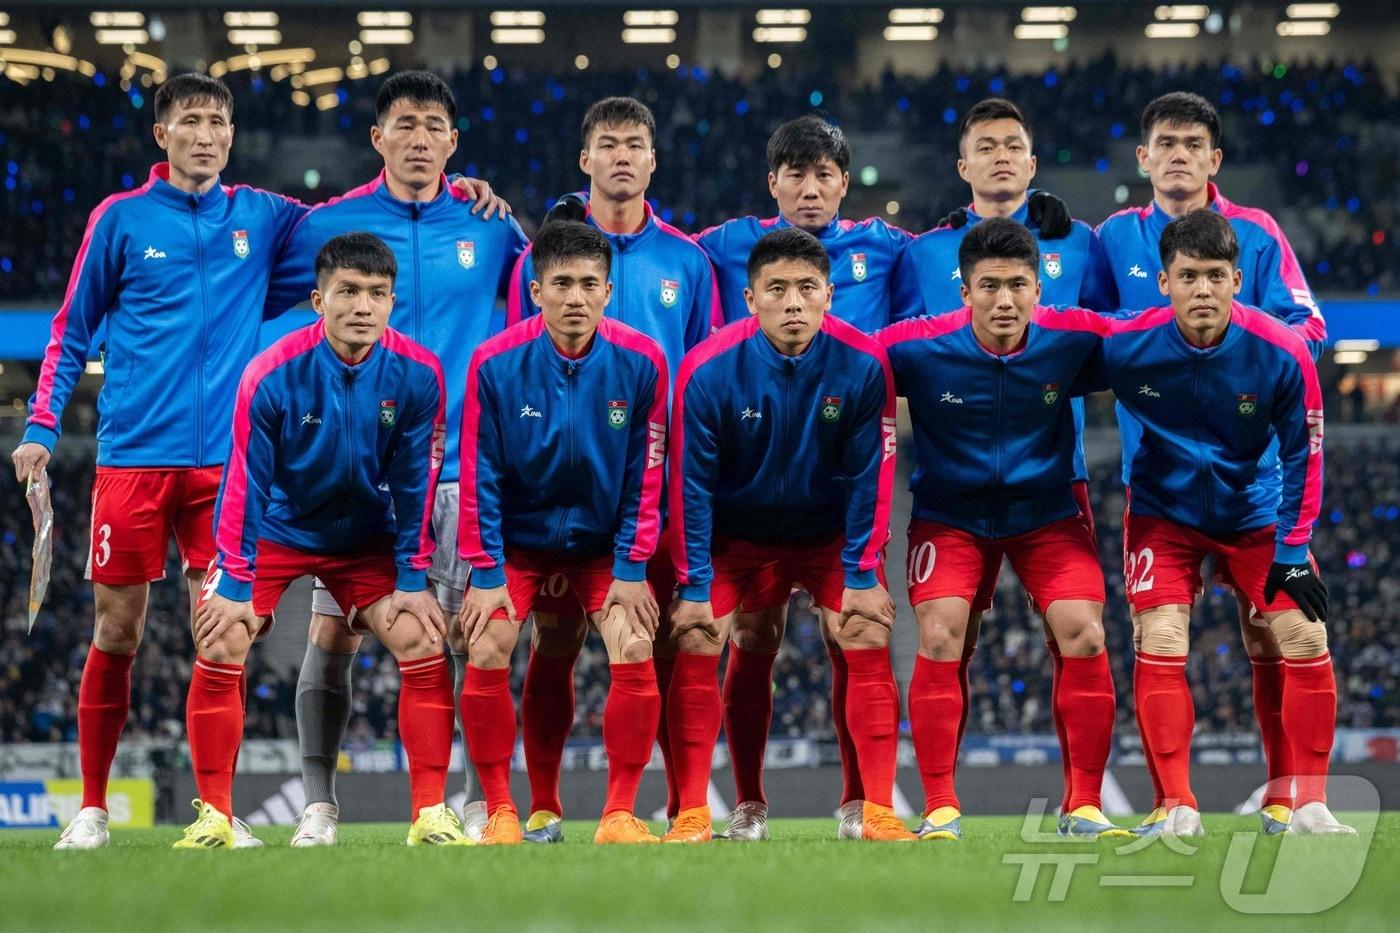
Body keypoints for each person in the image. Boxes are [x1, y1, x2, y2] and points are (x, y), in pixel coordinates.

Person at [12, 73, 307, 850]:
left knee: (225, 631)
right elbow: (72, 328)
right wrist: (43, 422)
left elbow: (357, 224)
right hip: (136, 456)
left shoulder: (264, 216)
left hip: (226, 471)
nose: (205, 134)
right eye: (190, 121)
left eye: (218, 122)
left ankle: (217, 812)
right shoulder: (120, 220)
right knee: (119, 629)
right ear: (162, 134)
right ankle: (95, 807)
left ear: (232, 136)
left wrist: (448, 186)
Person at [263, 70, 527, 845]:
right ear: (377, 138)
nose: (419, 138)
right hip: (355, 473)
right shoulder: (326, 227)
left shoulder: (493, 228)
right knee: (333, 635)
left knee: (476, 639)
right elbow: (255, 290)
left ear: (454, 141)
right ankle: (319, 803)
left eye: (433, 126)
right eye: (403, 124)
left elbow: (547, 294)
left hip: (463, 474)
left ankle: (477, 805)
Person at [181, 232, 462, 848]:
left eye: (378, 294)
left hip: (365, 536)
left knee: (422, 635)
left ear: (393, 304)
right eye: (349, 292)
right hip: (282, 529)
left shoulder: (418, 374)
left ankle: (430, 815)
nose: (363, 306)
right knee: (222, 632)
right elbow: (244, 483)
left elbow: (418, 481)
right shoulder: (272, 373)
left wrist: (414, 579)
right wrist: (229, 578)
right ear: (318, 300)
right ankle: (216, 818)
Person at [1095, 92, 1327, 833]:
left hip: (1254, 484)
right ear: (1143, 158)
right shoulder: (1111, 239)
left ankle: (1296, 795)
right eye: (1165, 142)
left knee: (1282, 633)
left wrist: (1242, 369)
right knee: (1160, 636)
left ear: (1214, 158)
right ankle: (1175, 804)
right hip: (1159, 486)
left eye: (1194, 143)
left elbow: (1307, 328)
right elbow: (1076, 329)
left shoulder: (1255, 235)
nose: (1179, 155)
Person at [889, 98, 1116, 819]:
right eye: (984, 145)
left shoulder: (1082, 243)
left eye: (1013, 144)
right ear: (963, 165)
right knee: (945, 634)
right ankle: (940, 806)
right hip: (949, 493)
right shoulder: (919, 255)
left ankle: (1084, 804)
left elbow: (1132, 344)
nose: (999, 156)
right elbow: (872, 361)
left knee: (1081, 631)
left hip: (1052, 486)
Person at [502, 96, 719, 843]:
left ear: (653, 161)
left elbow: (705, 382)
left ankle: (687, 806)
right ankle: (543, 806)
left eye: (635, 144)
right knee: (552, 643)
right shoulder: (546, 260)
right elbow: (515, 371)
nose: (622, 155)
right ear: (584, 160)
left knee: (678, 638)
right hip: (563, 495)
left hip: (663, 492)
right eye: (607, 144)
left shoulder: (688, 262)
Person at [690, 115, 912, 839]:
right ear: (772, 182)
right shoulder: (722, 249)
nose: (810, 188)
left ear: (845, 183)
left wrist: (1015, 215)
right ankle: (733, 805)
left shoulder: (885, 250)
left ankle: (865, 803)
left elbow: (959, 257)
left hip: (832, 506)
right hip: (744, 511)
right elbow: (641, 250)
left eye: (824, 175)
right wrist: (575, 211)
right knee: (738, 636)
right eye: (796, 173)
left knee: (860, 626)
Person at [457, 221, 670, 845]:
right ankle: (500, 812)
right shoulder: (494, 364)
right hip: (518, 550)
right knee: (489, 646)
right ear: (534, 290)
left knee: (634, 645)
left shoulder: (641, 360)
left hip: (603, 551)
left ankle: (619, 815)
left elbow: (645, 472)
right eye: (561, 283)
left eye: (588, 284)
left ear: (608, 291)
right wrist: (487, 572)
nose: (575, 297)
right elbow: (480, 473)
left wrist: (632, 569)